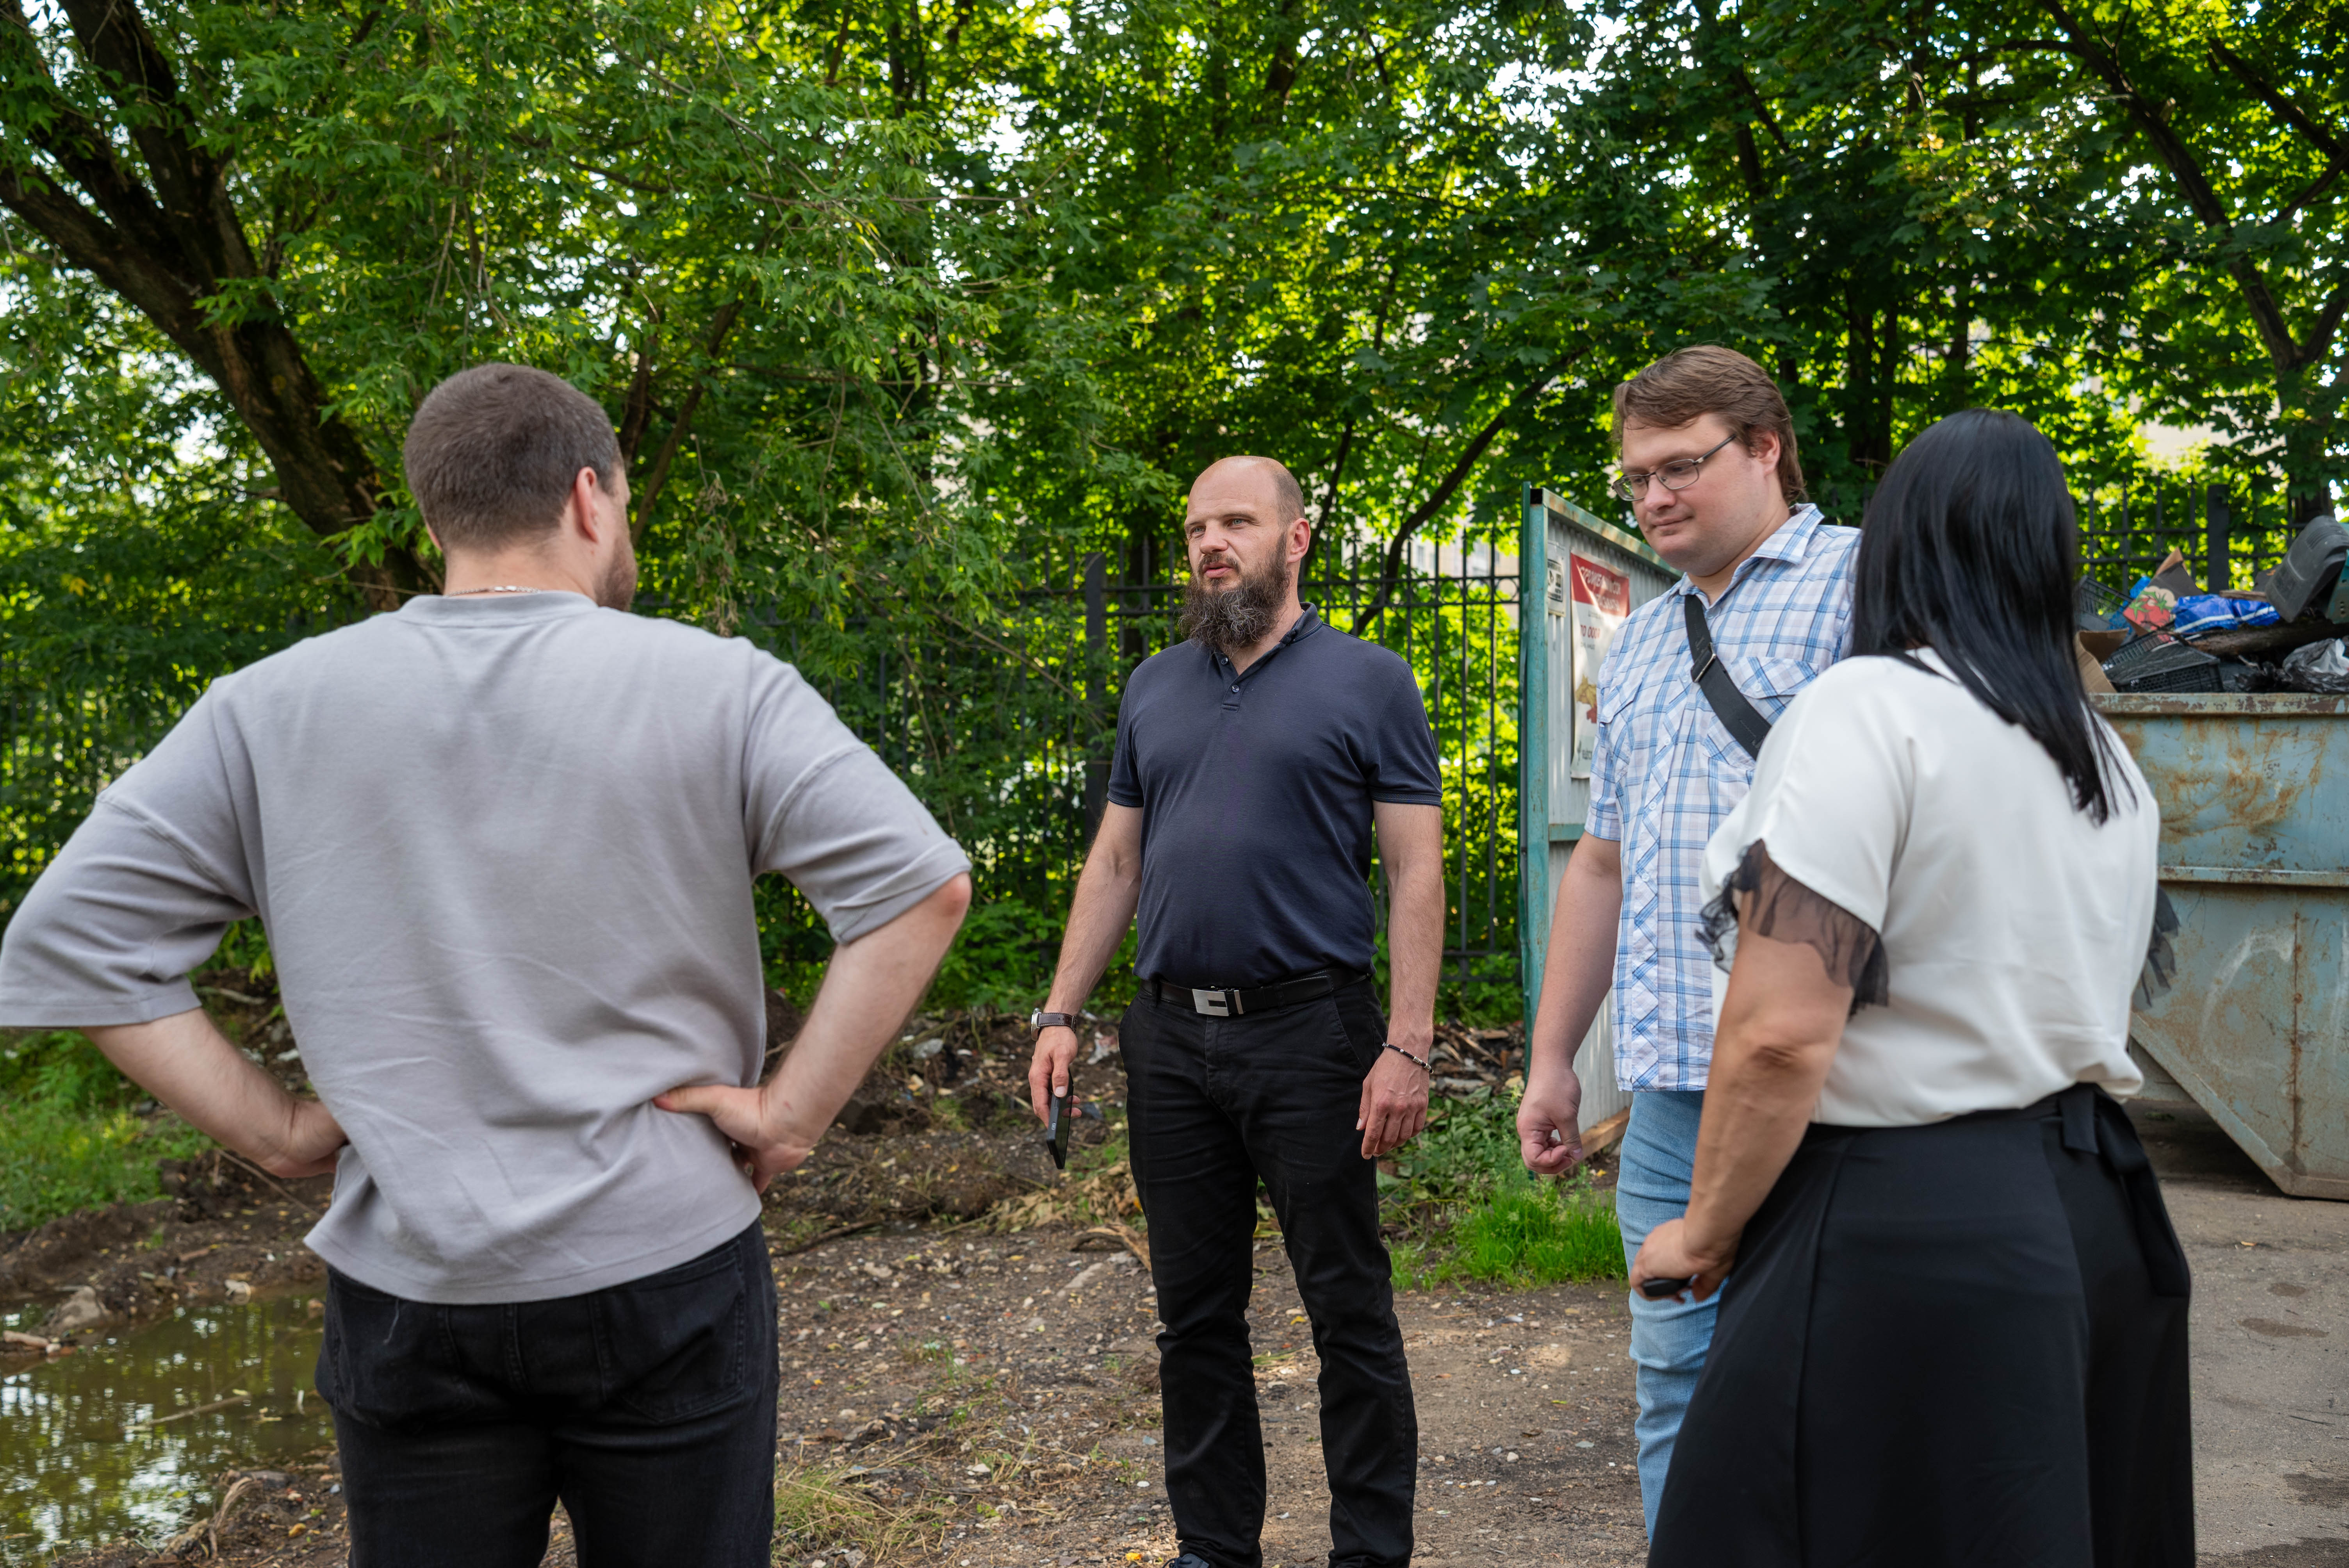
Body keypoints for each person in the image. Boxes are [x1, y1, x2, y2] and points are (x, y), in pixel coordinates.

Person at [0, 363, 973, 1568]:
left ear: (435, 516)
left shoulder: (268, 710)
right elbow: (919, 888)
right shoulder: (718, 686)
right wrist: (790, 1115)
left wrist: (280, 1134)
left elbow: (67, 943)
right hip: (663, 1263)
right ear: (590, 497)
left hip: (413, 1282)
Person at [1631, 406, 2192, 1566]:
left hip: (1902, 1226)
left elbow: (1783, 1032)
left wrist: (1705, 1229)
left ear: (1899, 543)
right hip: (2091, 1212)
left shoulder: (1869, 706)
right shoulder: (2099, 750)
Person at [1024, 456, 1444, 1568]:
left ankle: (1370, 1550)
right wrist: (1059, 1013)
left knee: (1347, 1309)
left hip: (1313, 1035)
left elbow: (1415, 870)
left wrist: (1408, 1043)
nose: (1211, 543)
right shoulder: (1154, 685)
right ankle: (1215, 1547)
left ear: (1295, 539)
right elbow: (1116, 860)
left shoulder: (1370, 681)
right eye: (1198, 526)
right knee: (1193, 1320)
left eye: (1237, 523)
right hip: (1170, 1042)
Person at [1513, 344, 1862, 1532]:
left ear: (1766, 448)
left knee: (1844, 1386)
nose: (1654, 497)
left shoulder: (1871, 587)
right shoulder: (1650, 640)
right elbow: (1601, 863)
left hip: (1836, 1082)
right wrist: (1554, 1057)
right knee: (1674, 1385)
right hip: (1670, 1094)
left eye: (1681, 467)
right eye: (1635, 481)